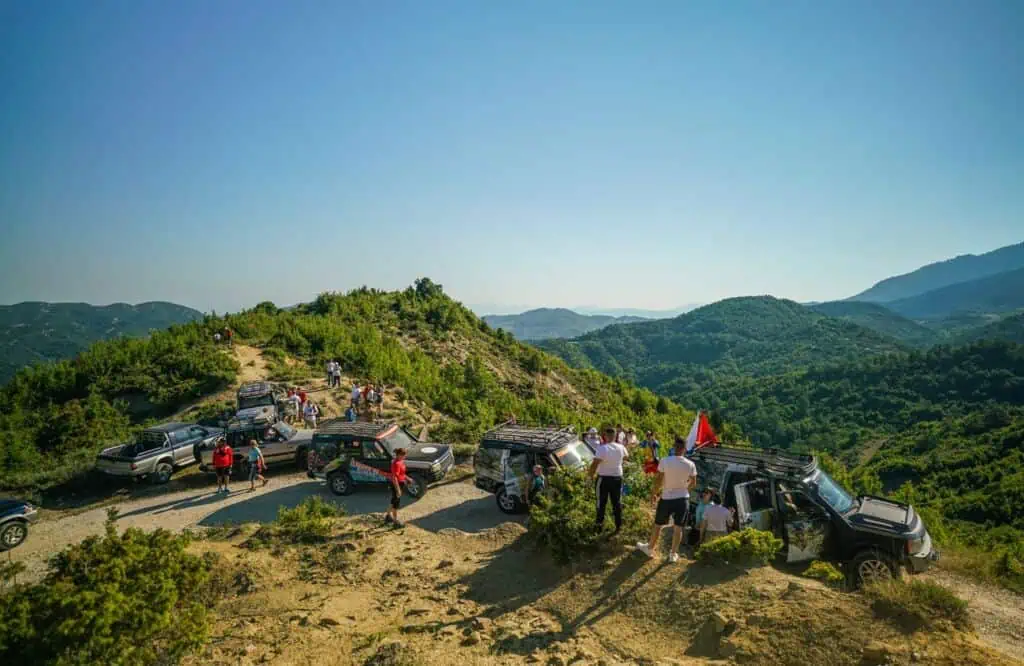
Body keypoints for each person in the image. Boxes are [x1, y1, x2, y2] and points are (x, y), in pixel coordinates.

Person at [636, 443, 698, 562]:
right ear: (685, 449)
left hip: (666, 497)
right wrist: (685, 489)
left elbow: (659, 479)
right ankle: (673, 554)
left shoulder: (665, 461)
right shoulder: (690, 464)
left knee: (658, 525)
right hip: (682, 498)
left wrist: (654, 493)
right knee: (678, 528)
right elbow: (694, 483)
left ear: (674, 448)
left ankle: (649, 548)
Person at [588, 427, 629, 534]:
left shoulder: (603, 448)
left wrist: (589, 478)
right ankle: (618, 526)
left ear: (605, 436)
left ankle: (599, 527)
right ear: (615, 436)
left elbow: (594, 464)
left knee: (601, 503)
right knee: (617, 502)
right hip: (617, 478)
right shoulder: (621, 447)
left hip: (604, 478)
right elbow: (626, 457)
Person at [386, 447, 408, 527]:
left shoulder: (400, 461)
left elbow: (402, 473)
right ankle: (396, 522)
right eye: (404, 455)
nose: (405, 457)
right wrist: (398, 489)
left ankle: (388, 516)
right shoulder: (396, 463)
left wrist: (408, 478)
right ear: (399, 455)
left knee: (393, 502)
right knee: (396, 504)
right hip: (396, 485)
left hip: (400, 483)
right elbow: (394, 477)